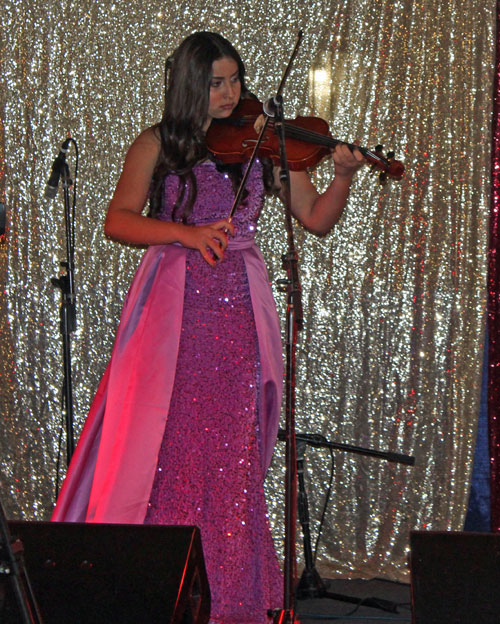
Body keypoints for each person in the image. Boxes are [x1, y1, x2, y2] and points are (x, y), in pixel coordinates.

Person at [52, 31, 364, 624]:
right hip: (174, 309)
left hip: (238, 314)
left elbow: (317, 219)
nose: (229, 93)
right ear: (191, 84)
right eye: (216, 82)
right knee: (168, 451)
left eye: (235, 80)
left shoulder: (264, 147)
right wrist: (186, 234)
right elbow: (117, 221)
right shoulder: (157, 143)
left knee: (231, 458)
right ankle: (164, 593)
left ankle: (231, 597)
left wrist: (343, 176)